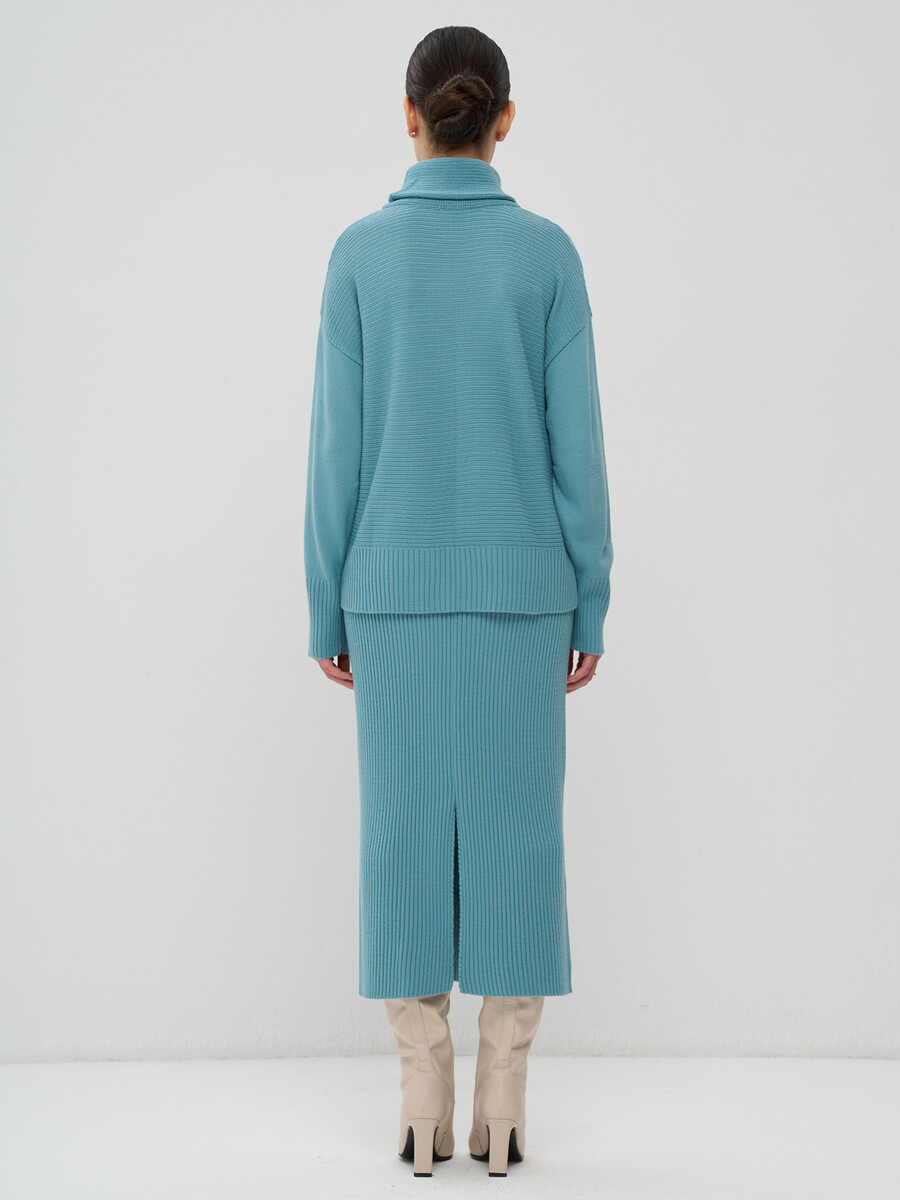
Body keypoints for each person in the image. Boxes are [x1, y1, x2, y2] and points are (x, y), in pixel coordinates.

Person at [303, 24, 613, 1178]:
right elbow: (579, 453)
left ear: (409, 114)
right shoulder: (547, 257)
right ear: (504, 120)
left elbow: (335, 455)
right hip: (524, 600)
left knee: (399, 840)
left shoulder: (358, 257)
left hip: (389, 598)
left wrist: (325, 606)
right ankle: (505, 1105)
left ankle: (422, 1098)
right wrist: (591, 599)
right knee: (520, 839)